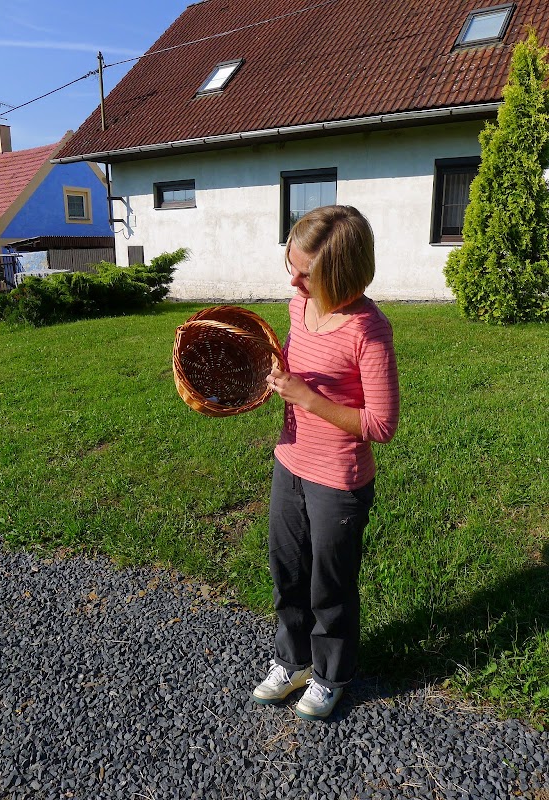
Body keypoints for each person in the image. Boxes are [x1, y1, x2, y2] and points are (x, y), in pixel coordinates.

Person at [252, 205, 400, 720]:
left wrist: (308, 399)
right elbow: (296, 359)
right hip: (290, 461)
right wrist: (276, 369)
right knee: (288, 573)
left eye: (306, 274)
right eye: (290, 267)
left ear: (342, 273)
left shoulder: (369, 331)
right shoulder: (300, 305)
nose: (293, 282)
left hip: (338, 480)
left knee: (329, 587)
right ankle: (292, 661)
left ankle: (331, 674)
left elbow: (381, 424)